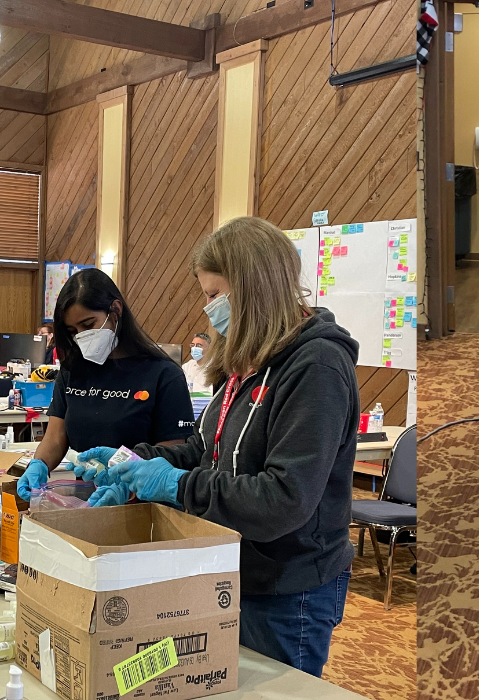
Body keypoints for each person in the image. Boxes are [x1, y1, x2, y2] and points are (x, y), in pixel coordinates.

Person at [75, 216, 358, 676]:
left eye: (214, 294)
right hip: (230, 567)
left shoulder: (316, 368)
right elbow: (202, 451)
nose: (208, 309)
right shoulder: (244, 363)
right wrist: (133, 462)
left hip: (289, 585)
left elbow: (283, 500)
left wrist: (178, 486)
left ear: (253, 288)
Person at [14, 269, 196, 502]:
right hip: (85, 501)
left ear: (115, 311)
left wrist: (126, 487)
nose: (81, 337)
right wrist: (38, 464)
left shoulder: (164, 374)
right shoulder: (73, 371)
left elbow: (173, 452)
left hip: (143, 506)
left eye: (88, 325)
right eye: (72, 331)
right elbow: (56, 437)